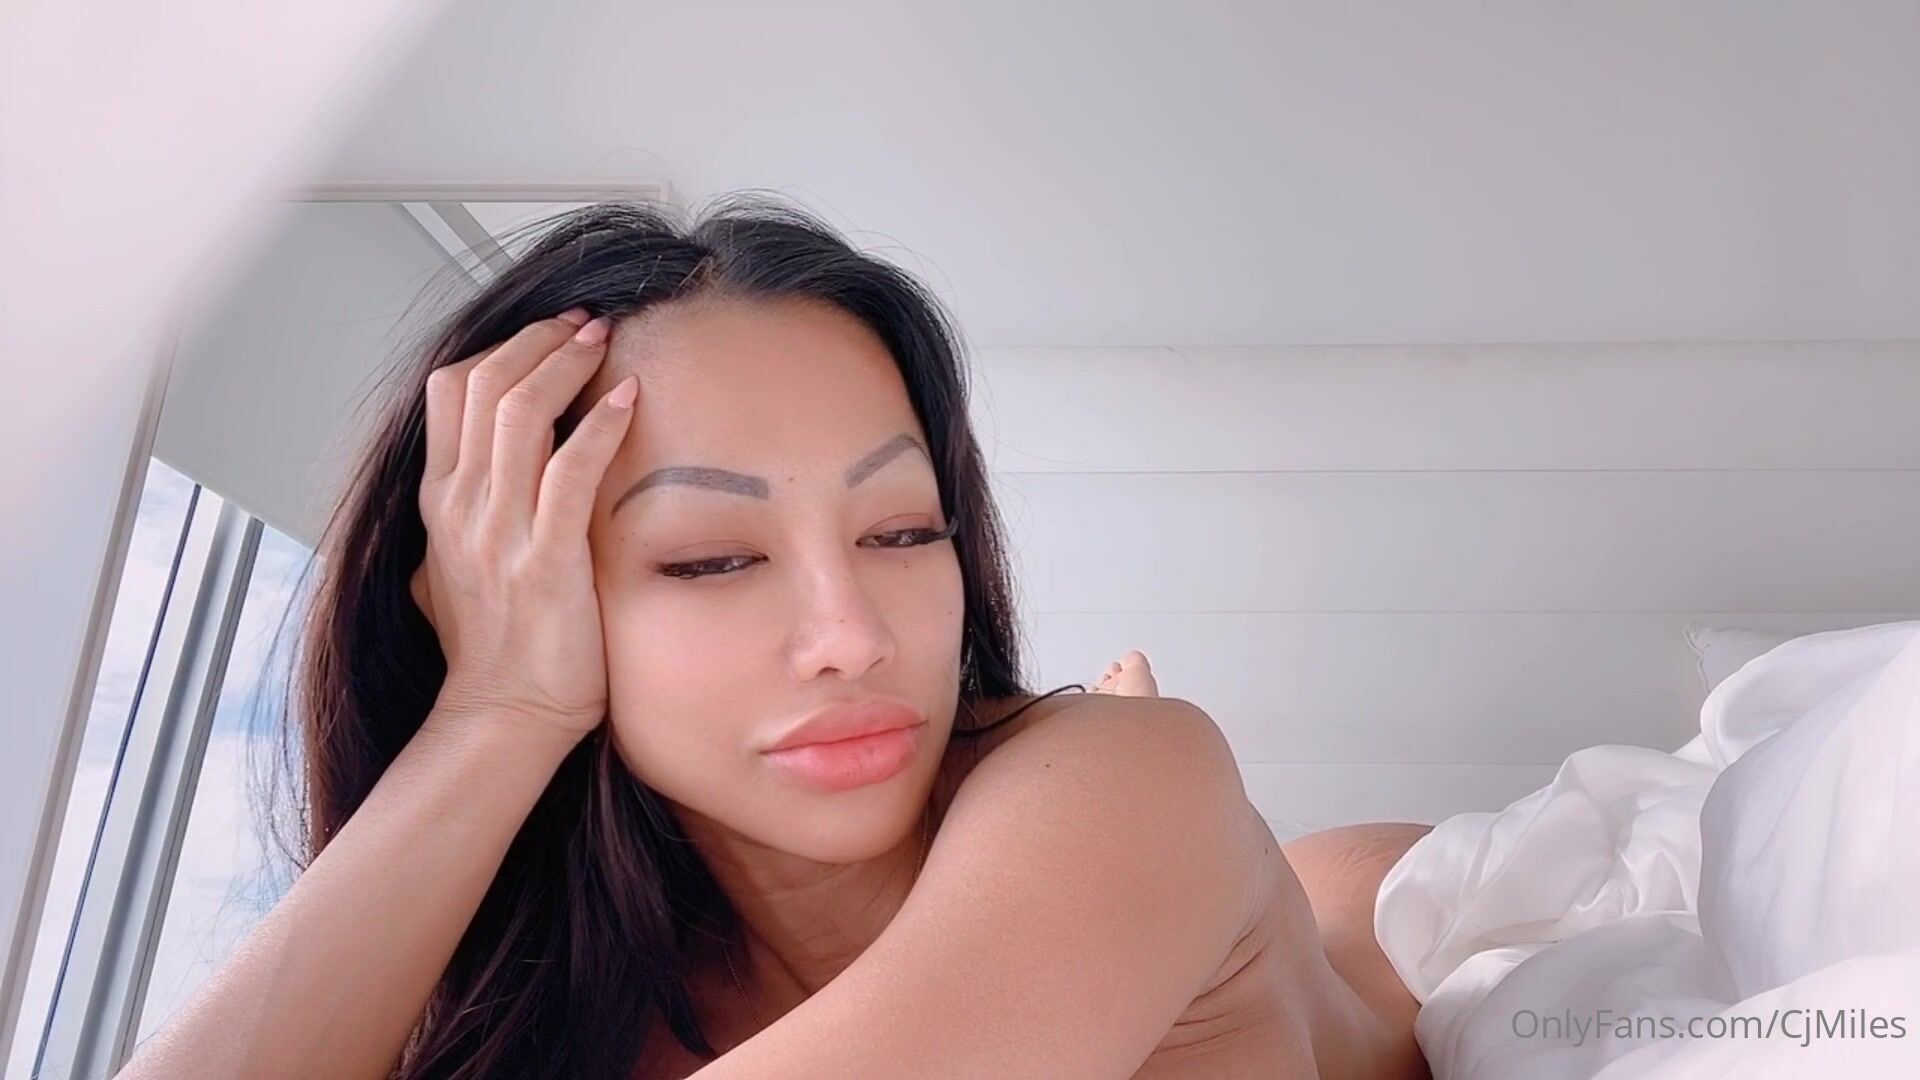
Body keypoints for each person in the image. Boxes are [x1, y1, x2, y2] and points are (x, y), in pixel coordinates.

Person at [118, 194, 1430, 1079]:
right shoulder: (575, 997)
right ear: (526, 592)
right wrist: (497, 712)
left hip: (1392, 949)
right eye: (710, 558)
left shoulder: (1127, 779)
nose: (850, 637)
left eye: (902, 532)